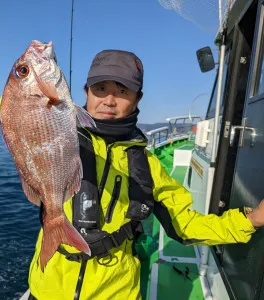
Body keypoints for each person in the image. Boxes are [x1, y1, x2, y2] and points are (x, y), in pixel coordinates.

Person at [20, 50, 264, 300]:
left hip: (116, 292)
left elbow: (186, 225)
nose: (109, 100)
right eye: (100, 88)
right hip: (46, 287)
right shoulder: (62, 138)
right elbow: (19, 112)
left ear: (138, 99)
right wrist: (31, 74)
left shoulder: (148, 166)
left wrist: (250, 220)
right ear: (86, 92)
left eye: (123, 91)